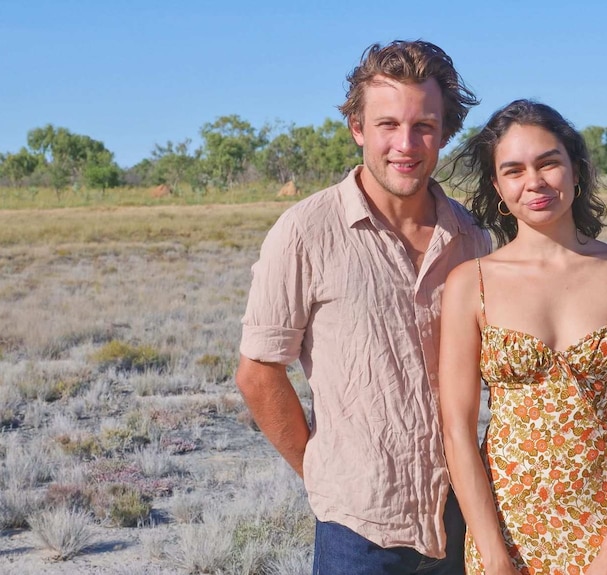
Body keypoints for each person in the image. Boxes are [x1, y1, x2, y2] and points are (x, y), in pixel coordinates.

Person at [235, 40, 490, 575]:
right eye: (387, 125)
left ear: (445, 132)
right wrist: (324, 473)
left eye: (424, 125)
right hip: (358, 529)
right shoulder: (305, 232)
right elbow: (259, 372)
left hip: (461, 513)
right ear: (357, 127)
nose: (406, 143)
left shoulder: (470, 237)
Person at [439, 100, 607, 575]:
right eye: (514, 170)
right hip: (507, 527)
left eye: (548, 163)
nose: (535, 182)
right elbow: (457, 430)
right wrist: (494, 556)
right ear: (498, 189)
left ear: (576, 170)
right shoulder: (470, 283)